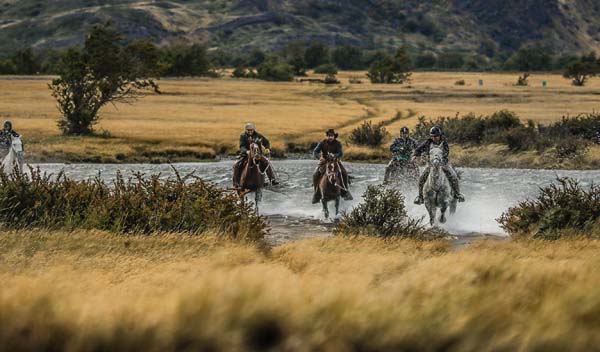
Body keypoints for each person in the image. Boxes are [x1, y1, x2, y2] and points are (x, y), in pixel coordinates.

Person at [412, 126, 465, 204]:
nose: (434, 138)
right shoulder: (428, 142)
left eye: (436, 136)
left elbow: (446, 153)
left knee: (453, 176)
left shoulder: (444, 142)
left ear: (439, 135)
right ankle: (420, 197)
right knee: (422, 178)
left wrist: (440, 162)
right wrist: (415, 155)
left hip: (443, 163)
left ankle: (457, 194)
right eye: (432, 136)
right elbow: (419, 149)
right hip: (430, 164)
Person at [312, 129, 352, 203]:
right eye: (329, 136)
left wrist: (335, 155)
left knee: (344, 173)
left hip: (335, 162)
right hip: (324, 162)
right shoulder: (322, 143)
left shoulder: (338, 143)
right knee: (315, 175)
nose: (330, 137)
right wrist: (320, 158)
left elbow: (340, 153)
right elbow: (315, 152)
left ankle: (345, 192)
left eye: (332, 136)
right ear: (327, 136)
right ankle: (316, 194)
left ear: (334, 136)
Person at [232, 122, 278, 187]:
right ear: (246, 130)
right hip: (246, 155)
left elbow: (266, 142)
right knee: (236, 164)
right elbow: (241, 146)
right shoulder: (243, 136)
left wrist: (267, 148)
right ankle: (235, 183)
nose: (250, 131)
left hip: (258, 155)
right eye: (248, 130)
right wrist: (246, 151)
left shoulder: (258, 135)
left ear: (254, 129)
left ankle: (272, 179)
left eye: (251, 130)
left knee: (266, 162)